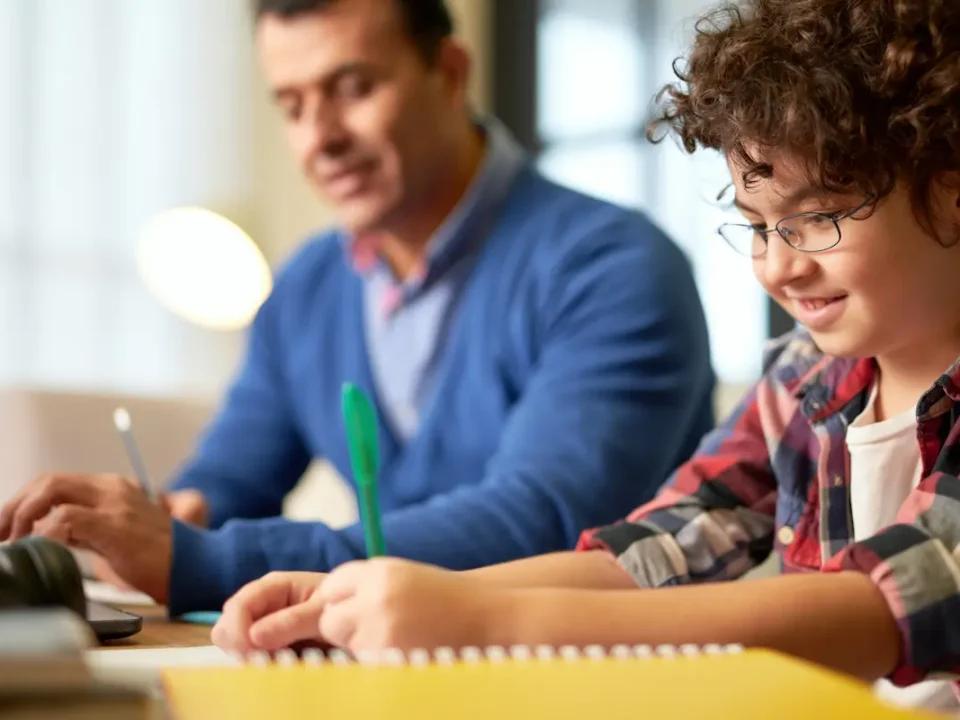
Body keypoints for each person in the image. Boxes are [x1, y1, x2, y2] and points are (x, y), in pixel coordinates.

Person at [210, 0, 960, 711]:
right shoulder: (804, 376)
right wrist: (367, 594)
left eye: (818, 218)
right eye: (759, 226)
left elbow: (875, 609)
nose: (777, 267)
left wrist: (484, 625)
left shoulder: (601, 262)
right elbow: (664, 545)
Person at [0, 0, 715, 615]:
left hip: (598, 676)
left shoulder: (614, 266)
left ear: (450, 73)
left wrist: (201, 560)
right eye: (292, 104)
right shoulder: (308, 286)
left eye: (352, 87)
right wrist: (183, 512)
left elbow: (547, 523)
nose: (320, 138)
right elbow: (231, 475)